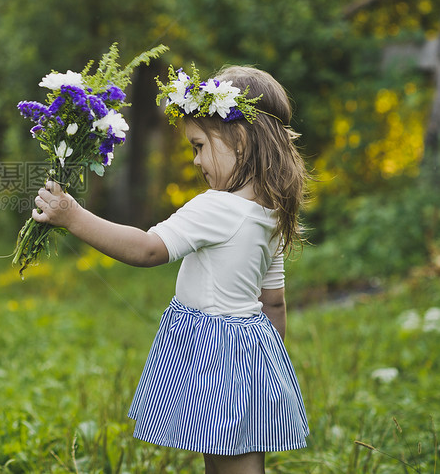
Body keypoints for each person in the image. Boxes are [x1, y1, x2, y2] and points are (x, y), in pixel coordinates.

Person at [32, 65, 310, 473]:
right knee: (234, 459)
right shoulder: (271, 212)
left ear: (241, 140)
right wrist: (264, 375)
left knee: (228, 464)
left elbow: (147, 249)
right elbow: (274, 304)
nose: (196, 160)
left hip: (217, 354)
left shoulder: (218, 206)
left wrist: (73, 216)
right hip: (252, 355)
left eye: (198, 145)